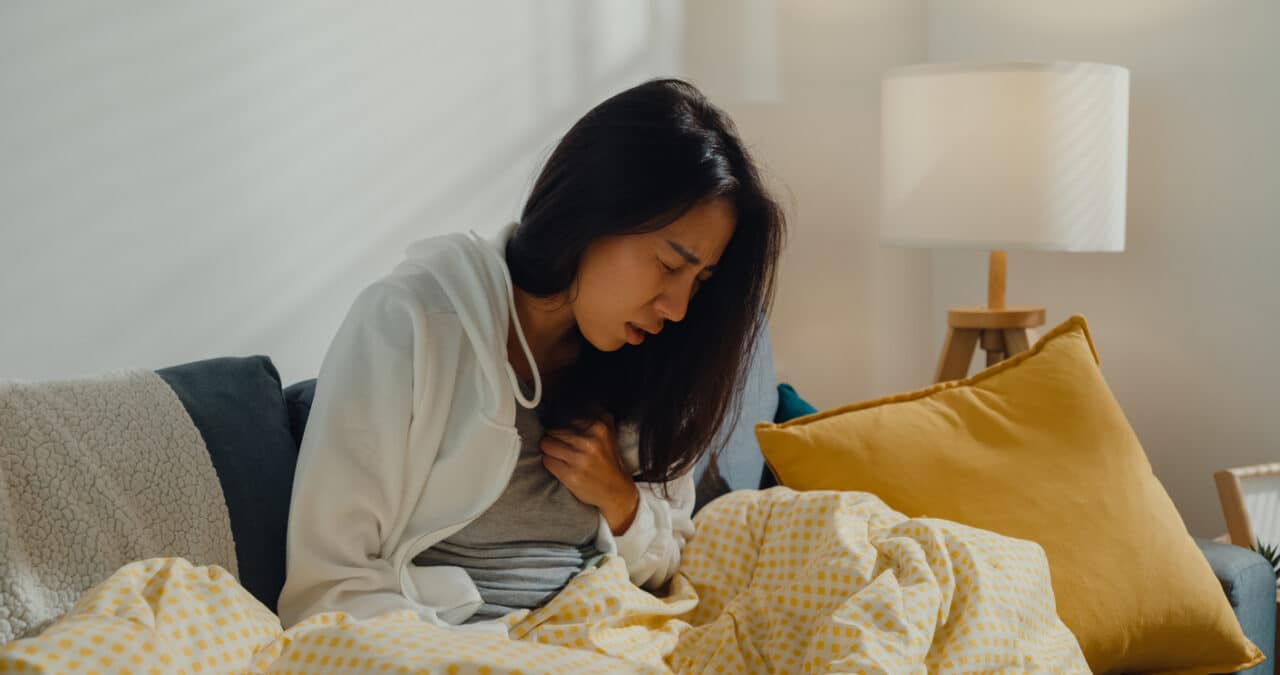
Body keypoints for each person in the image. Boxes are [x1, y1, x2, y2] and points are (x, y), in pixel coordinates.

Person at [276, 77, 786, 635]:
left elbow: (665, 564)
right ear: (596, 211)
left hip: (610, 633)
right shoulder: (412, 322)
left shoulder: (651, 363)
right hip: (456, 641)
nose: (679, 307)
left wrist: (621, 503)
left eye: (701, 280)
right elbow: (329, 583)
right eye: (669, 264)